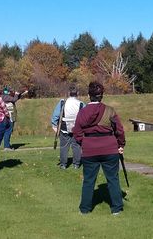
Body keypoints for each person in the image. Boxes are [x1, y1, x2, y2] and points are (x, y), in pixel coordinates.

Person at [72, 81, 125, 215]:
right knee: (113, 179)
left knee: (89, 180)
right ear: (101, 95)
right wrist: (120, 144)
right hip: (109, 148)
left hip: (89, 150)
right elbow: (119, 130)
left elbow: (76, 131)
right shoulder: (110, 110)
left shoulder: (82, 112)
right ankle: (117, 208)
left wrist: (83, 142)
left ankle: (84, 209)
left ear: (89, 95)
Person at [51, 84, 85, 169]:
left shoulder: (62, 102)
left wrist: (54, 125)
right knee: (76, 146)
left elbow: (55, 115)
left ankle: (63, 164)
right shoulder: (81, 104)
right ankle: (76, 164)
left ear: (68, 93)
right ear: (77, 93)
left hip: (64, 129)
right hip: (77, 129)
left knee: (64, 147)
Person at [1, 86, 28, 151]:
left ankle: (7, 145)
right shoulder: (4, 97)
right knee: (8, 131)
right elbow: (14, 99)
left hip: (10, 116)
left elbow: (15, 99)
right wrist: (16, 94)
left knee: (9, 131)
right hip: (8, 116)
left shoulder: (5, 96)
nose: (11, 92)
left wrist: (20, 94)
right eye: (10, 91)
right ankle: (6, 147)